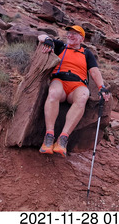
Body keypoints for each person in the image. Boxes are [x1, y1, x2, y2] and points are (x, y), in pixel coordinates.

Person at [38, 25, 110, 157]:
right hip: (59, 80)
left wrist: (102, 87)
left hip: (77, 85)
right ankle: (49, 136)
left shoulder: (87, 53)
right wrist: (47, 39)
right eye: (69, 33)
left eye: (74, 34)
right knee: (53, 93)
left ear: (81, 39)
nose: (70, 35)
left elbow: (94, 71)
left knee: (83, 96)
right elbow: (40, 36)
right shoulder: (60, 46)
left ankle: (63, 139)